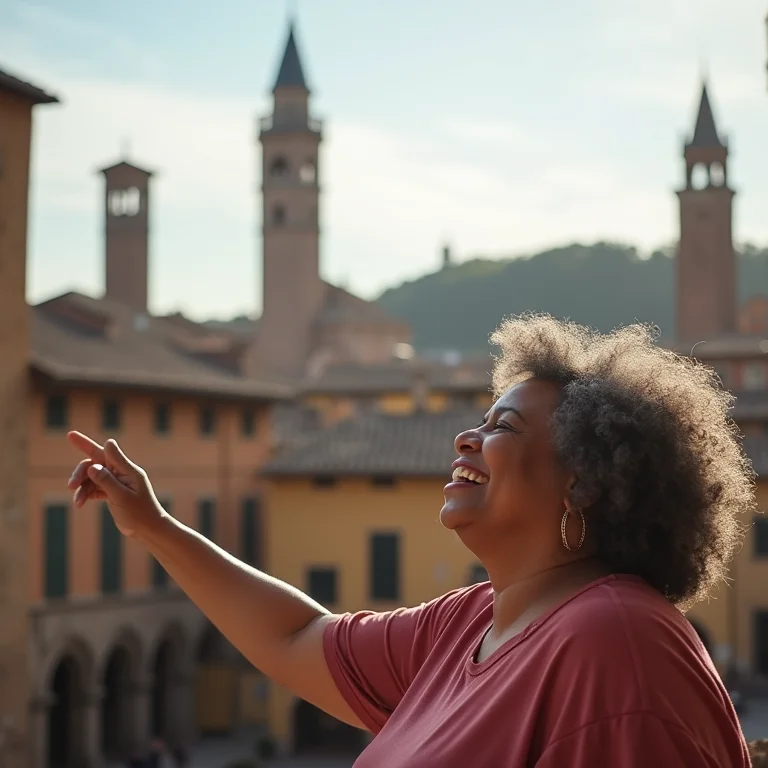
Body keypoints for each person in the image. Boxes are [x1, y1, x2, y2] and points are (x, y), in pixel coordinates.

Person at [67, 314, 754, 766]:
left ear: (584, 484)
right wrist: (153, 525)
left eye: (502, 427)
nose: (466, 437)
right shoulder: (469, 623)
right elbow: (294, 639)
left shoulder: (616, 641)